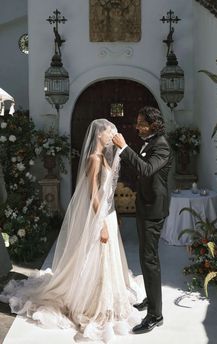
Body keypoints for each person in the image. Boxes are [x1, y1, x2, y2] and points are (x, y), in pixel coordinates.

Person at [0, 119, 143, 343]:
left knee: (107, 260)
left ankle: (107, 297)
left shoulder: (104, 157)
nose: (111, 136)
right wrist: (102, 223)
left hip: (108, 215)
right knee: (95, 258)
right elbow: (92, 194)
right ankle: (92, 302)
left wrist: (114, 216)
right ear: (98, 134)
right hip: (100, 218)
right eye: (109, 132)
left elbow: (107, 193)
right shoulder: (94, 159)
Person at [112, 106, 173, 334]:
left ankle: (156, 315)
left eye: (141, 123)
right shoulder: (150, 141)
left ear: (154, 125)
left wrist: (124, 148)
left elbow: (146, 169)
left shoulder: (162, 145)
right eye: (138, 122)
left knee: (149, 259)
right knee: (145, 256)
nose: (137, 127)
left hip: (153, 210)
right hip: (145, 205)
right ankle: (151, 299)